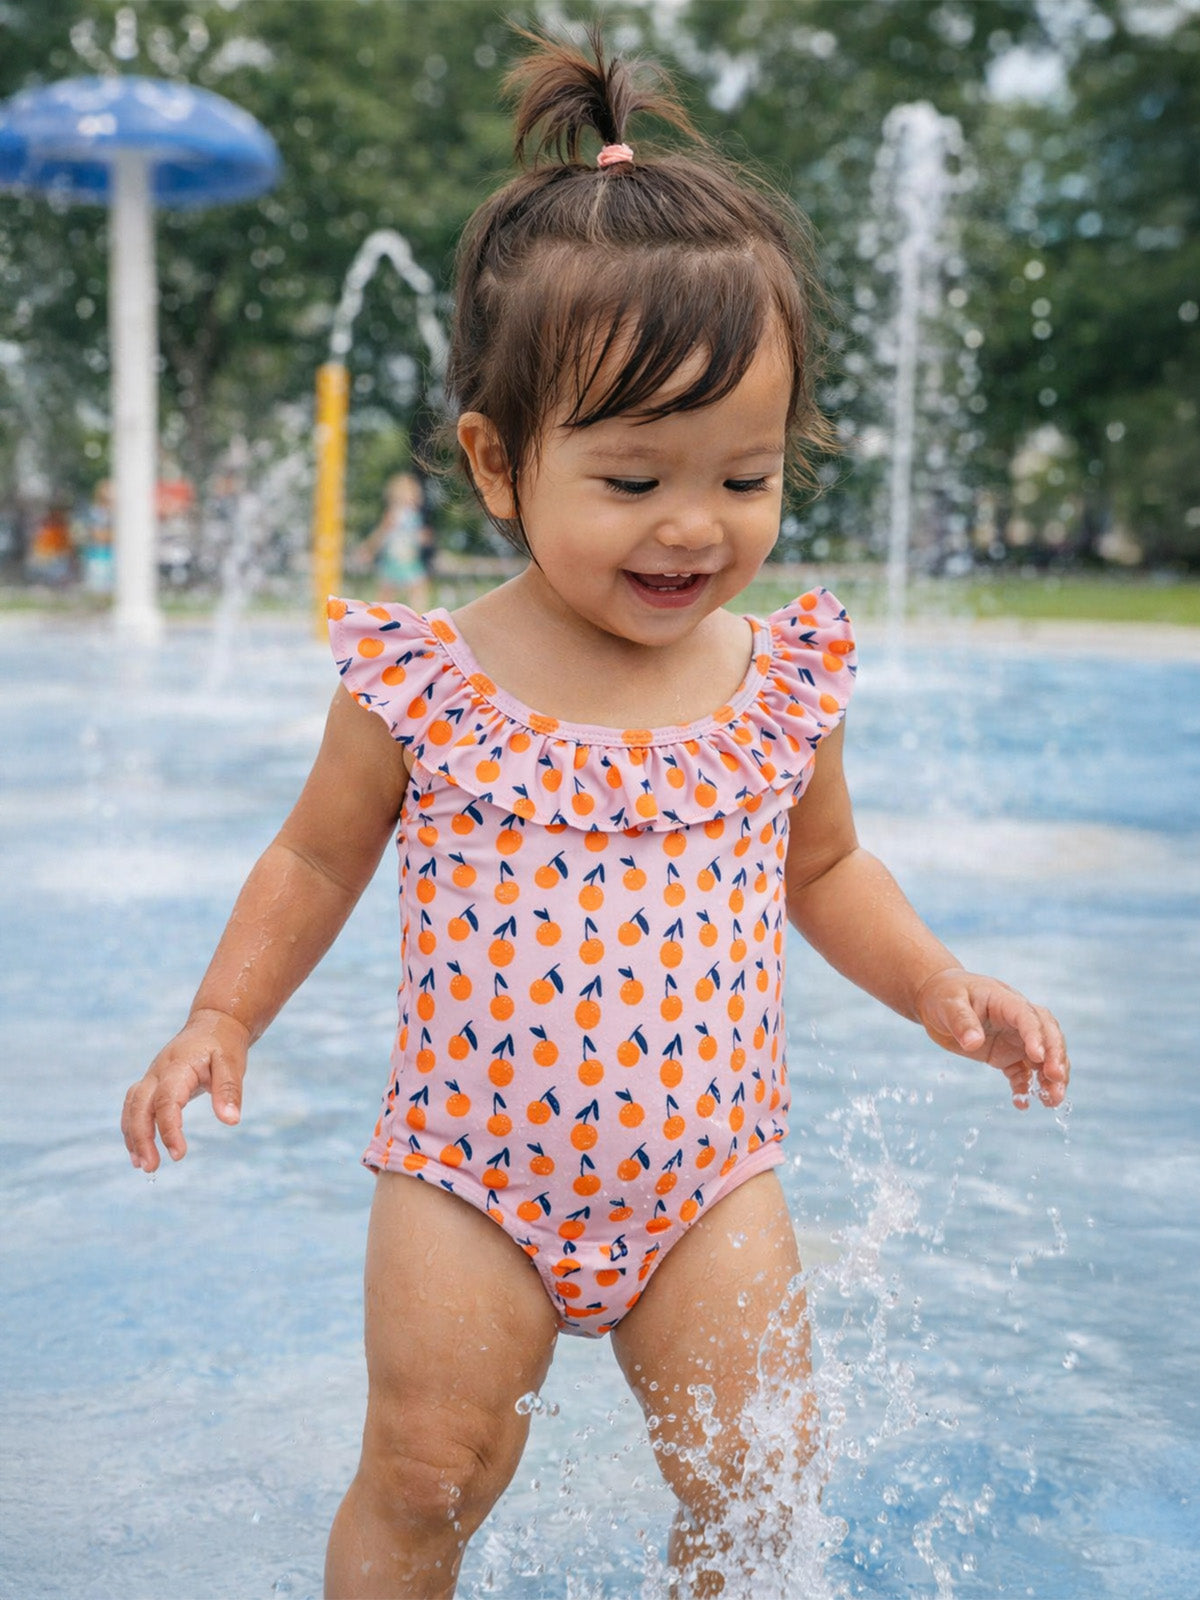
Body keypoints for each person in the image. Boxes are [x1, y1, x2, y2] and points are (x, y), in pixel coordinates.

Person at [121, 30, 1070, 1600]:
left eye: (745, 477)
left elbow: (825, 868)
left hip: (708, 1177)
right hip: (469, 1175)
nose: (695, 526)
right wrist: (223, 1014)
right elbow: (313, 852)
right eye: (633, 483)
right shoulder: (429, 680)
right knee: (429, 1475)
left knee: (758, 1474)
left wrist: (938, 986)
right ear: (501, 465)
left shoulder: (778, 683)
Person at [354, 470, 434, 611]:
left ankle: (418, 617)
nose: (412, 498)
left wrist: (421, 537)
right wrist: (368, 549)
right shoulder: (393, 514)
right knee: (388, 593)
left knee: (417, 588)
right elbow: (381, 533)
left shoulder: (414, 515)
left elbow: (412, 535)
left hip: (409, 561)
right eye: (409, 494)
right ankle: (382, 617)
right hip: (394, 561)